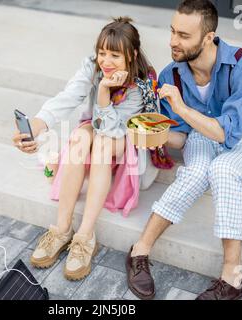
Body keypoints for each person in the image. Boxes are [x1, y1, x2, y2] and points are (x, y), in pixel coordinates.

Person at [125, 0, 242, 300]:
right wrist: (151, 134)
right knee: (194, 173)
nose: (173, 41)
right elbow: (180, 137)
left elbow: (227, 133)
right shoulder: (171, 75)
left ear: (208, 37)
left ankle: (232, 276)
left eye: (184, 35)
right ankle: (139, 252)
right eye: (172, 31)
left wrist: (180, 107)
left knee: (223, 168)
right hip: (200, 137)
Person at [13, 17, 158, 280]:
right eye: (102, 52)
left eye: (115, 54)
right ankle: (61, 229)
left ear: (132, 54)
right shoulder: (92, 67)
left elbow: (112, 129)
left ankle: (85, 236)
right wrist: (36, 125)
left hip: (122, 137)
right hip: (99, 126)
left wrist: (103, 91)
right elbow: (69, 97)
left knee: (101, 142)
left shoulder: (140, 83)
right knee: (80, 138)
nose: (106, 61)